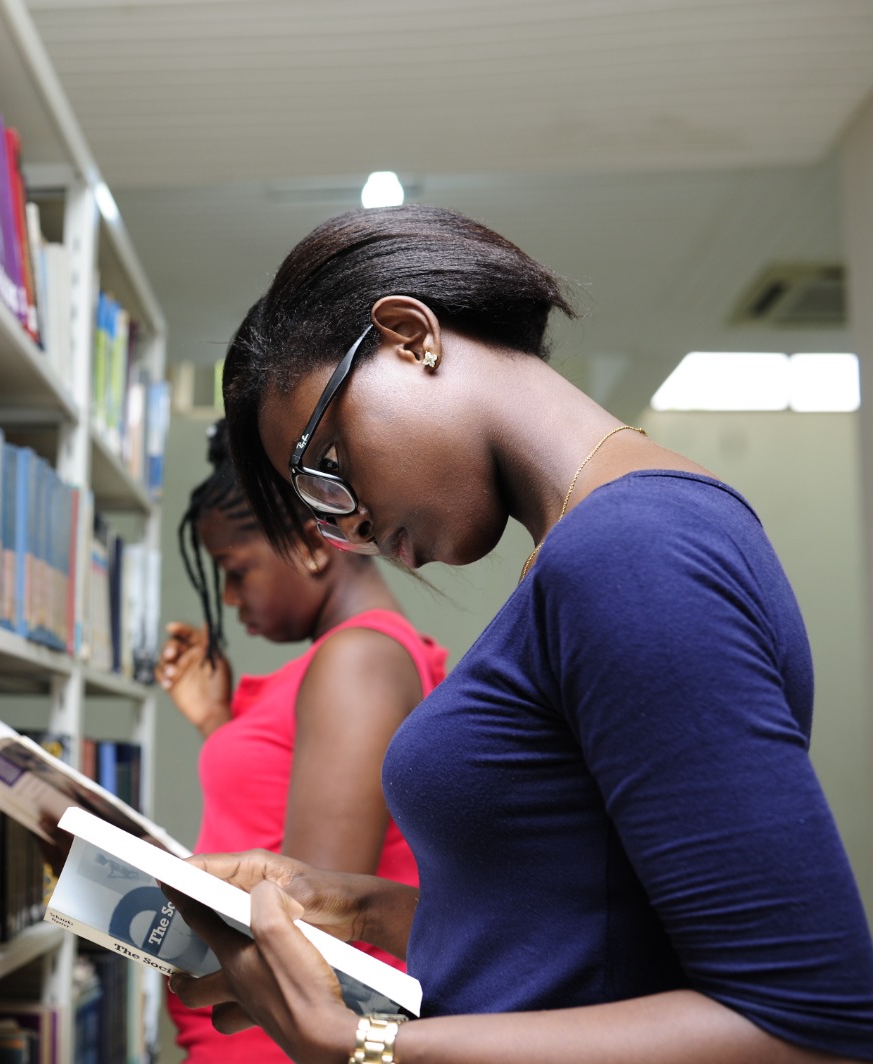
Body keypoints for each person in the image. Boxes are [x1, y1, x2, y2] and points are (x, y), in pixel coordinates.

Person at [165, 205, 873, 1064]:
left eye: (328, 469)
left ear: (408, 337)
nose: (348, 522)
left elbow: (809, 1020)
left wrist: (366, 1047)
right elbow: (597, 938)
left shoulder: (629, 551)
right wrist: (351, 905)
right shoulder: (607, 544)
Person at [159, 419, 446, 1063]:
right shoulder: (344, 661)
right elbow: (268, 816)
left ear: (308, 545)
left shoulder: (358, 662)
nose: (231, 599)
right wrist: (215, 721)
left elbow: (308, 911)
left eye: (236, 571)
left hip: (283, 1044)